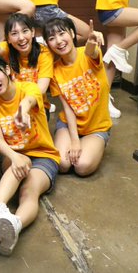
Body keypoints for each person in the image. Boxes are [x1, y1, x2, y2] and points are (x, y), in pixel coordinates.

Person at [0, 53, 60, 256]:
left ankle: (15, 225)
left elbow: (30, 99)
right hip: (11, 155)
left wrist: (22, 110)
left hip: (44, 155)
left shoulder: (28, 88)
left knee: (29, 192)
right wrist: (15, 157)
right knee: (19, 163)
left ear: (7, 70)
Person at [43, 18, 111, 177]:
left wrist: (91, 43)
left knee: (82, 166)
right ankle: (76, 142)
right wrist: (74, 141)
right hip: (69, 124)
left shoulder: (87, 55)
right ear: (48, 44)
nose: (59, 41)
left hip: (96, 127)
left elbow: (91, 52)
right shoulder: (54, 70)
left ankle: (97, 144)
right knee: (62, 164)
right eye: (52, 38)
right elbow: (67, 108)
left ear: (72, 34)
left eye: (62, 33)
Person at [0, 14, 54, 113]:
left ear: (32, 32)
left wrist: (24, 105)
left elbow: (41, 89)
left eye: (25, 31)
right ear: (8, 38)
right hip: (10, 106)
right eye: (14, 33)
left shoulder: (44, 53)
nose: (21, 38)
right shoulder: (8, 49)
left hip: (36, 107)